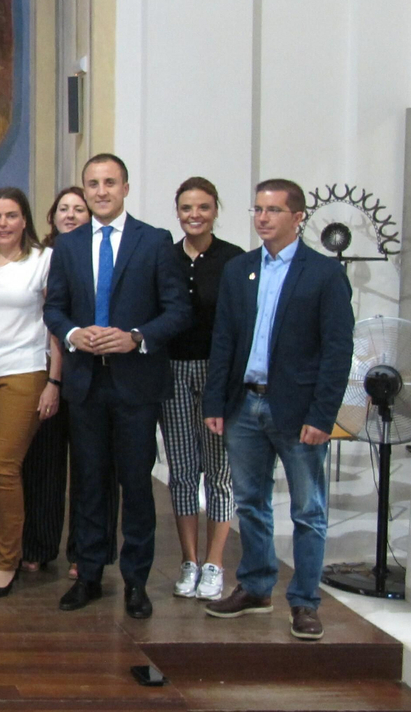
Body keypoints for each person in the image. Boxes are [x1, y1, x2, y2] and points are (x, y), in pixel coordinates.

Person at [204, 179, 351, 641]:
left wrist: (322, 416)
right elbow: (224, 338)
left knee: (308, 510)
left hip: (298, 408)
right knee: (250, 502)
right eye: (257, 209)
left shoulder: (324, 274)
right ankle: (256, 586)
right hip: (245, 402)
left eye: (273, 210)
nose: (263, 218)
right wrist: (215, 401)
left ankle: (305, 602)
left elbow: (336, 351)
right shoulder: (240, 270)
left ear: (298, 217)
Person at [46, 154, 190, 619]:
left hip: (135, 384)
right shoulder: (68, 246)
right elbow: (55, 309)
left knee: (136, 486)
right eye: (93, 184)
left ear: (126, 187)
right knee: (87, 484)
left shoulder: (155, 241)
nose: (101, 191)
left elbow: (176, 312)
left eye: (110, 182)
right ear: (84, 190)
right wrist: (72, 335)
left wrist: (136, 338)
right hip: (86, 383)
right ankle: (88, 574)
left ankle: (136, 582)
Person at [0, 189, 61, 598]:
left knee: (3, 468)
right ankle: (4, 553)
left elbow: (55, 321)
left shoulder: (43, 260)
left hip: (24, 371)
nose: (3, 223)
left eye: (12, 216)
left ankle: (7, 562)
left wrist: (55, 380)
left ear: (25, 221)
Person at [21, 187, 109, 577]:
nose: (71, 215)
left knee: (93, 469)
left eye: (79, 209)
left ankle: (85, 551)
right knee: (43, 464)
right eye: (64, 208)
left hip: (95, 372)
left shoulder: (100, 254)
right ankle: (39, 544)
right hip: (45, 370)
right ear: (51, 216)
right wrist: (52, 379)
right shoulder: (37, 258)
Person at [163, 177, 243, 602]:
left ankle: (214, 562)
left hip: (218, 374)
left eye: (203, 207)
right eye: (187, 208)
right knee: (180, 471)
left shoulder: (235, 260)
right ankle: (189, 561)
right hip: (172, 372)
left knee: (219, 474)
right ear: (177, 212)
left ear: (215, 210)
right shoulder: (166, 257)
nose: (195, 215)